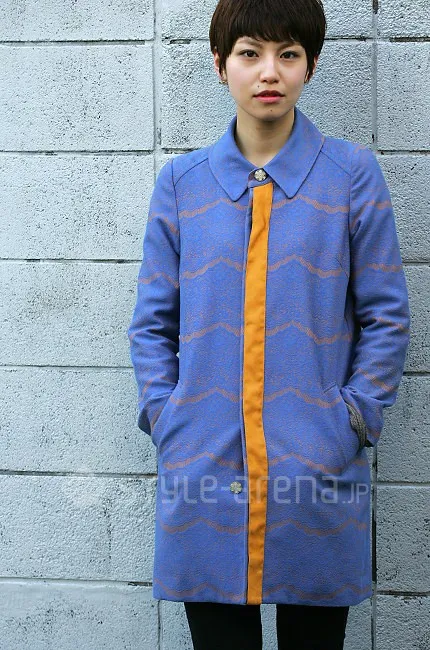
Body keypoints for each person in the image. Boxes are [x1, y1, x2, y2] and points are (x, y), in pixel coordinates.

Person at [127, 0, 411, 647]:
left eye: (288, 54)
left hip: (316, 470)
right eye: (250, 53)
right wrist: (170, 419)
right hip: (205, 468)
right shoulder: (182, 184)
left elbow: (386, 316)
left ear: (310, 64)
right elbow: (151, 323)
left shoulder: (350, 176)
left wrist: (351, 420)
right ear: (220, 63)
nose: (269, 72)